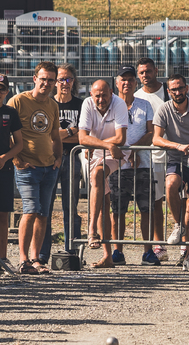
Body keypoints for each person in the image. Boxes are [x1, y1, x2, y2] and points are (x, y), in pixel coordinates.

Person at [7, 61, 62, 273]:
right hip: (27, 167)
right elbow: (5, 132)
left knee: (43, 214)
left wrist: (58, 159)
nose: (46, 84)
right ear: (34, 79)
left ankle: (36, 258)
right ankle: (23, 260)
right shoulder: (18, 101)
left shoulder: (53, 105)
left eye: (51, 80)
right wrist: (16, 160)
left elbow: (55, 136)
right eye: (43, 79)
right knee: (30, 211)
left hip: (49, 167)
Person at [152, 73, 189, 272]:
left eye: (180, 88)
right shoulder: (164, 109)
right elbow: (156, 138)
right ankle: (178, 224)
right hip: (176, 159)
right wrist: (178, 146)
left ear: (187, 88)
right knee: (170, 185)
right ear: (168, 91)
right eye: (173, 89)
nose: (177, 92)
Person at [109, 65, 158, 265]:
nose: (127, 83)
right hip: (117, 165)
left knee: (146, 209)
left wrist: (135, 150)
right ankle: (117, 251)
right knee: (118, 210)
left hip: (143, 164)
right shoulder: (111, 104)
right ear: (117, 82)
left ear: (135, 82)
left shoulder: (144, 104)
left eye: (130, 79)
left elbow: (151, 132)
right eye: (123, 79)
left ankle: (148, 251)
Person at [76, 78, 126, 269]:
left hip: (117, 154)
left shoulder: (119, 103)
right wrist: (106, 145)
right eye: (97, 96)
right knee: (104, 203)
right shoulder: (87, 104)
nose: (101, 99)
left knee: (98, 174)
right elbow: (82, 138)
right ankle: (107, 256)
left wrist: (97, 144)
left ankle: (91, 229)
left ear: (111, 93)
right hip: (98, 152)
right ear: (91, 95)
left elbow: (121, 138)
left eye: (104, 95)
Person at [41, 64, 83, 264]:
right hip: (50, 159)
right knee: (46, 207)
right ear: (55, 82)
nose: (65, 83)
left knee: (70, 207)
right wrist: (72, 131)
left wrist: (59, 135)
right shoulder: (48, 104)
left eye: (69, 79)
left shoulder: (81, 105)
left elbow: (84, 136)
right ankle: (42, 253)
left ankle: (71, 251)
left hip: (72, 158)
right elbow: (47, 137)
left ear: (74, 82)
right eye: (61, 79)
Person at [0, 74, 25, 267]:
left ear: (7, 92)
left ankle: (2, 258)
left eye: (2, 89)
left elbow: (19, 143)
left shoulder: (10, 112)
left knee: (2, 214)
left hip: (4, 168)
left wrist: (5, 158)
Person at [134, 57, 168, 258]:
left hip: (173, 155)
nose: (145, 75)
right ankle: (159, 245)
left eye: (148, 71)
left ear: (156, 70)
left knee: (181, 201)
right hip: (150, 157)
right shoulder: (136, 97)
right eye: (141, 72)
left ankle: (185, 247)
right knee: (155, 202)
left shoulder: (169, 92)